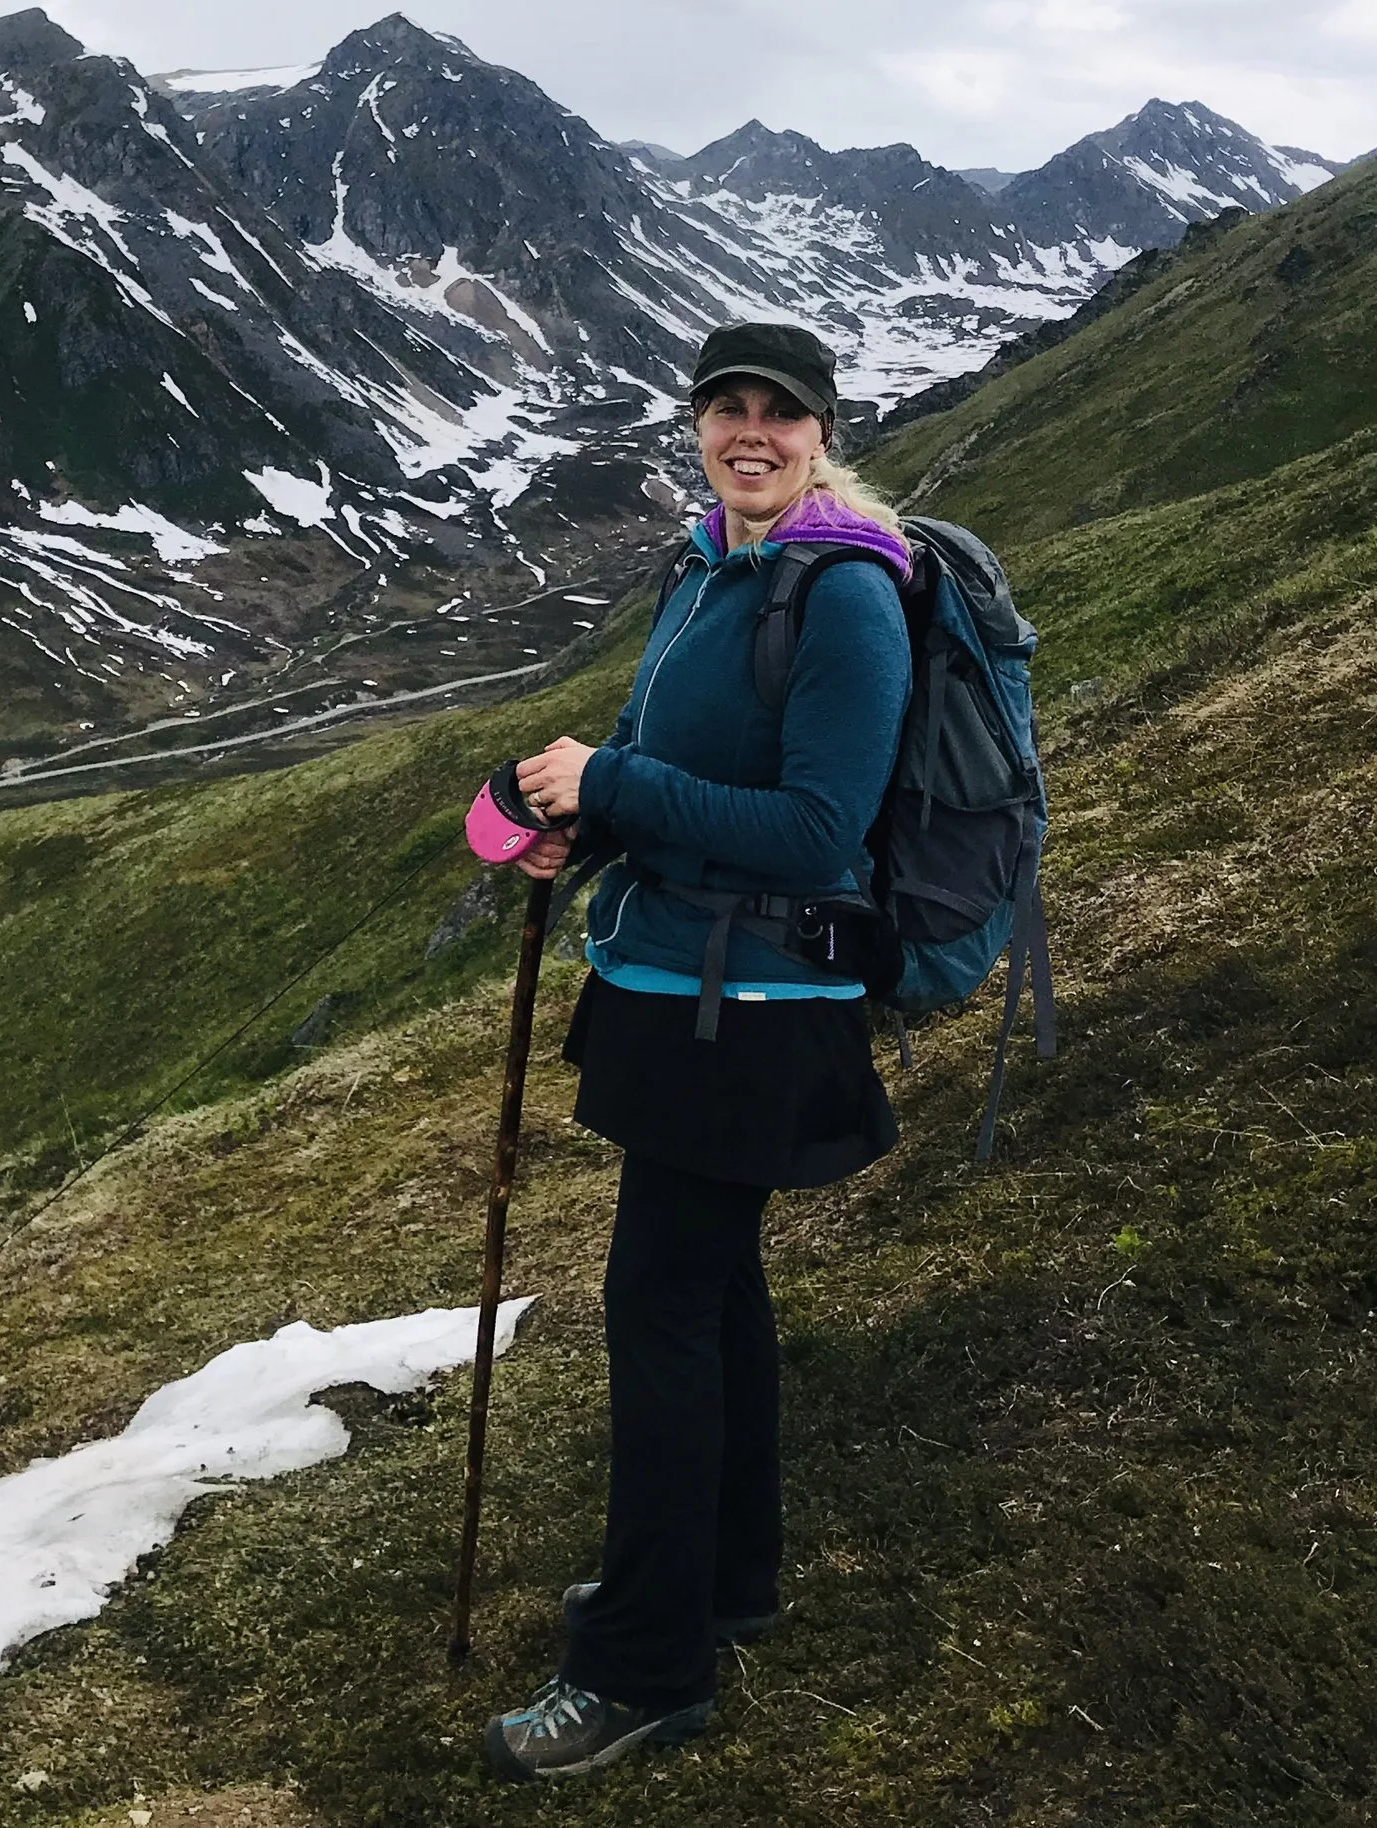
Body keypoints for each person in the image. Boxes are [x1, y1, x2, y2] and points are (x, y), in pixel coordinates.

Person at [482, 320, 914, 1784]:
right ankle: (729, 1581)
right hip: (678, 989)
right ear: (696, 425)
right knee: (713, 1294)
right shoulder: (706, 568)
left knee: (660, 1312)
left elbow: (817, 832)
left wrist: (617, 779)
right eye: (727, 408)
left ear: (821, 433)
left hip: (758, 1016)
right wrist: (584, 824)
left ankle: (643, 1668)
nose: (751, 432)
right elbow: (675, 766)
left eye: (779, 415)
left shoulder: (846, 594)